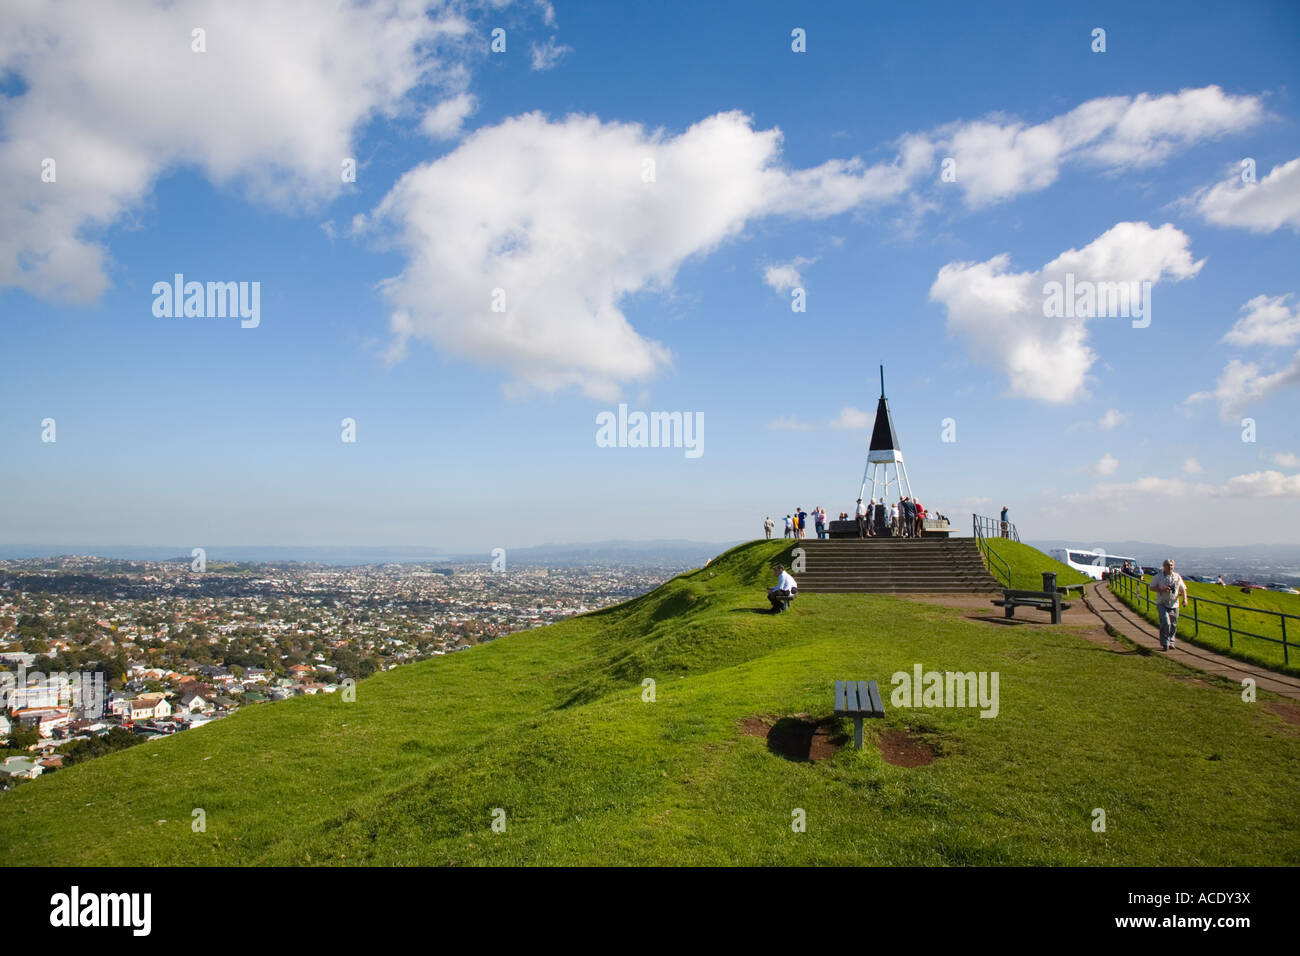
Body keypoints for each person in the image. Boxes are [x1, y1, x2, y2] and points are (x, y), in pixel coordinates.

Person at [1150, 558, 1188, 651]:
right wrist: (1161, 589)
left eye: (1171, 565)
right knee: (1166, 623)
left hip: (1174, 604)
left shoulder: (1177, 577)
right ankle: (1165, 643)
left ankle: (1171, 641)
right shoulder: (1158, 576)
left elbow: (1183, 589)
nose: (1170, 567)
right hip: (1162, 603)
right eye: (1168, 565)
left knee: (1174, 624)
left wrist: (1185, 599)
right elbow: (1151, 587)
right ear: (1164, 566)